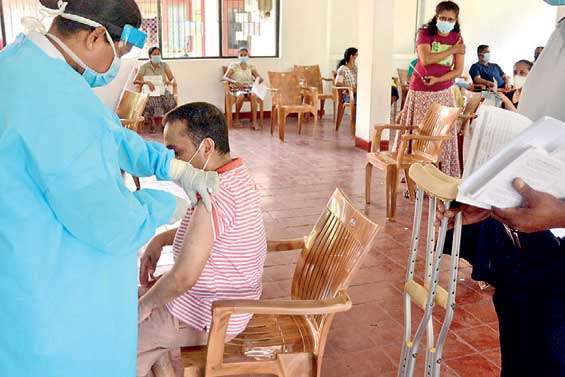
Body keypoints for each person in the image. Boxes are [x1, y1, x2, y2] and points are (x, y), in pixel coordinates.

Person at [0, 1, 218, 376]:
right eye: (118, 53)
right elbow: (107, 221)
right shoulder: (54, 99)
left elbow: (106, 135)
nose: (114, 67)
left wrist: (169, 165)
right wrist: (162, 205)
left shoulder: (21, 64)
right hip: (56, 302)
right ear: (95, 36)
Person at [439, 3, 565, 374]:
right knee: (525, 355)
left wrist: (560, 212)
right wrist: (493, 194)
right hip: (533, 249)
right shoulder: (559, 35)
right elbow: (541, 137)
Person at [137, 103, 267, 376]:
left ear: (206, 147)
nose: (171, 164)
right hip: (223, 303)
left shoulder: (215, 196)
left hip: (213, 314)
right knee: (135, 320)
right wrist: (161, 239)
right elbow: (209, 235)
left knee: (117, 339)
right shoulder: (233, 174)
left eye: (176, 152)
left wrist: (145, 306)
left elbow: (182, 278)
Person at [399, 0, 465, 177]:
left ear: (456, 20)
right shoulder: (425, 33)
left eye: (450, 19)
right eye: (442, 17)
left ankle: (438, 176)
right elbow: (425, 59)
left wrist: (438, 79)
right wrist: (452, 50)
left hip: (443, 91)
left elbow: (458, 70)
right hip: (420, 90)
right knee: (421, 134)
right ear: (436, 17)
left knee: (440, 135)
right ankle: (415, 176)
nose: (446, 22)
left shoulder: (457, 38)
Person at [134, 46, 178, 133]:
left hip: (161, 90)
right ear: (150, 56)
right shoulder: (144, 66)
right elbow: (135, 81)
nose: (157, 55)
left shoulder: (164, 65)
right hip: (149, 91)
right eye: (155, 54)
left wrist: (170, 82)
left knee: (170, 101)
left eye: (158, 54)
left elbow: (172, 78)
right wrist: (146, 83)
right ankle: (152, 123)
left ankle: (164, 122)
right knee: (149, 102)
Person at [222, 47, 264, 129]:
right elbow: (224, 77)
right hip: (237, 89)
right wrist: (235, 82)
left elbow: (260, 78)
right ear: (238, 56)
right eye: (241, 55)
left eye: (245, 55)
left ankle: (254, 121)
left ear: (248, 56)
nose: (243, 56)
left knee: (254, 95)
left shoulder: (251, 66)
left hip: (248, 89)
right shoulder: (234, 65)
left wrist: (256, 81)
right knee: (240, 96)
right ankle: (237, 119)